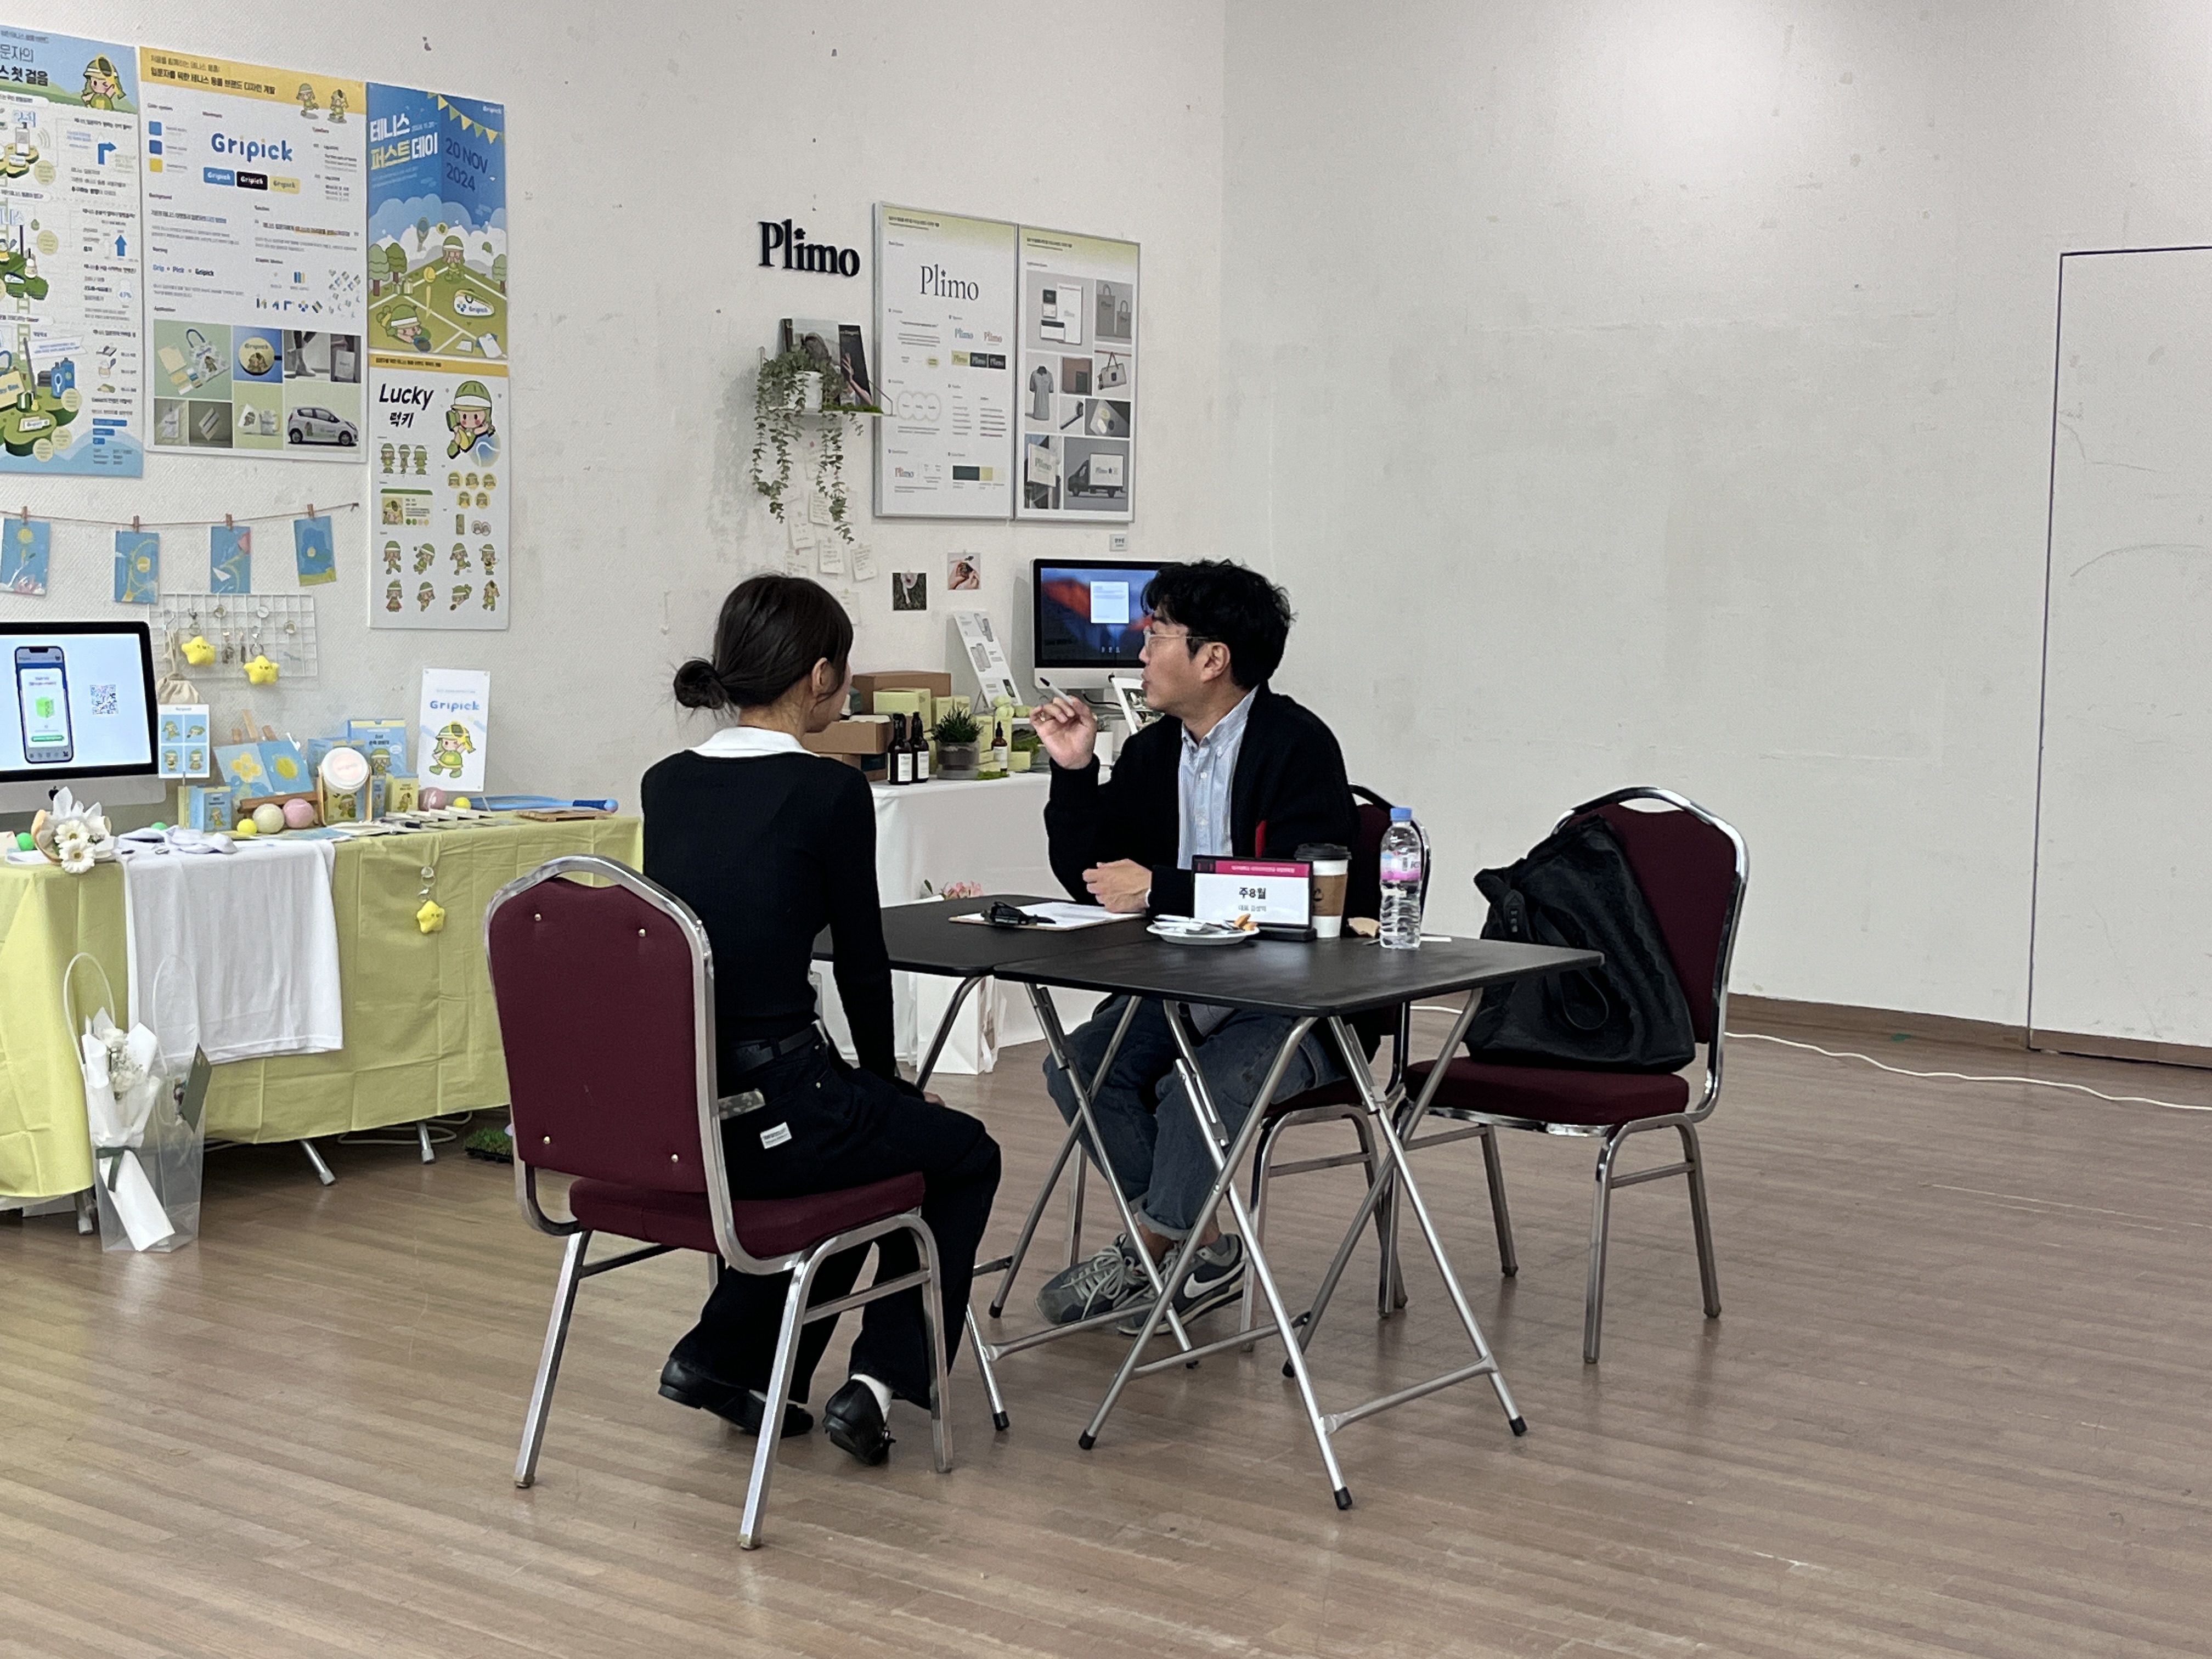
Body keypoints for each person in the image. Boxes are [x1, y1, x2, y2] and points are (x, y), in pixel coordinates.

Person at [641, 574, 1001, 1465]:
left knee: (853, 1150)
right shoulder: (827, 790)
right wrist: (888, 1085)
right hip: (785, 1105)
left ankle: (741, 1363)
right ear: (820, 676)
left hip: (686, 1114)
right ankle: (877, 1385)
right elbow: (864, 962)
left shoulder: (667, 784)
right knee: (962, 1155)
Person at [1028, 560, 1356, 1333]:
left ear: (1213, 659)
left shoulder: (1298, 746)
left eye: (1157, 637)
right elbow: (1095, 879)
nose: (1140, 653)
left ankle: (1147, 1252)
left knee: (1196, 1092)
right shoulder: (1152, 754)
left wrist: (1164, 888)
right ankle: (1200, 1251)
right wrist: (1074, 773)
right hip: (1182, 987)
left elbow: (1307, 893)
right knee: (1079, 1066)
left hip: (1295, 1000)